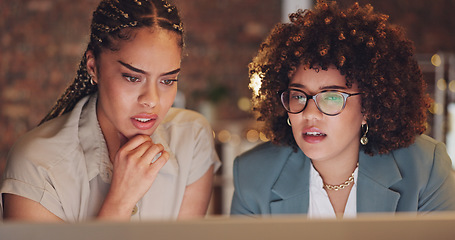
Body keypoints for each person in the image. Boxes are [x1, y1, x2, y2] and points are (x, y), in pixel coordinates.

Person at [231, 1, 455, 218]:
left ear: (369, 107)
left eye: (331, 97)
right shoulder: (252, 175)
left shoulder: (425, 169)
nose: (309, 113)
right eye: (299, 96)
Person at [1, 0, 220, 222]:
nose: (151, 101)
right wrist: (120, 201)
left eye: (168, 80)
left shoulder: (191, 139)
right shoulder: (37, 165)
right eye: (133, 77)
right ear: (93, 67)